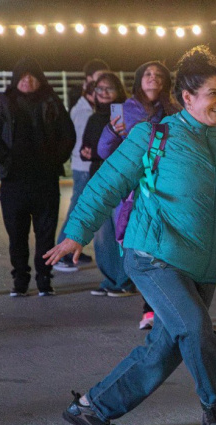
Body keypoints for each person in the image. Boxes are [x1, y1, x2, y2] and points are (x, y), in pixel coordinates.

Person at [45, 45, 216, 425]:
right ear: (187, 98)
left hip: (203, 268)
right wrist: (76, 233)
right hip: (153, 255)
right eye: (213, 94)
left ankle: (91, 408)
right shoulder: (155, 136)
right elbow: (107, 182)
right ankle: (213, 411)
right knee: (196, 328)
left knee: (163, 349)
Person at [0, 57, 75, 297]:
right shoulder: (2, 103)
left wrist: (55, 160)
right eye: (22, 76)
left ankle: (44, 279)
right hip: (13, 181)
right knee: (17, 233)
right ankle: (20, 280)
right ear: (15, 79)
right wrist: (6, 160)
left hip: (45, 180)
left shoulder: (51, 102)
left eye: (32, 76)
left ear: (39, 79)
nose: (27, 80)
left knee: (46, 232)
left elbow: (68, 135)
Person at [97, 60, 180, 329]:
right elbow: (104, 151)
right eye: (147, 74)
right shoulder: (125, 110)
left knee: (164, 250)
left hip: (165, 191)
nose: (153, 78)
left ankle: (154, 309)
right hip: (135, 192)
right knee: (141, 250)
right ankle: (150, 306)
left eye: (158, 75)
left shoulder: (175, 111)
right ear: (138, 80)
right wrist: (111, 132)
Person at [79, 71, 137, 298]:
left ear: (118, 92)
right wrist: (90, 152)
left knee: (121, 232)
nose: (103, 93)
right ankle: (110, 278)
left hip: (120, 182)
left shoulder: (125, 117)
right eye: (99, 89)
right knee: (102, 236)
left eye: (108, 89)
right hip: (98, 180)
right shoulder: (94, 119)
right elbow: (86, 150)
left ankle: (125, 280)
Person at [55, 60, 110, 273]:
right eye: (98, 78)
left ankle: (72, 250)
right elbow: (80, 142)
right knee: (78, 211)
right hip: (83, 167)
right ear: (89, 80)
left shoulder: (88, 106)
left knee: (80, 208)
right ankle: (63, 253)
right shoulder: (84, 110)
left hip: (85, 165)